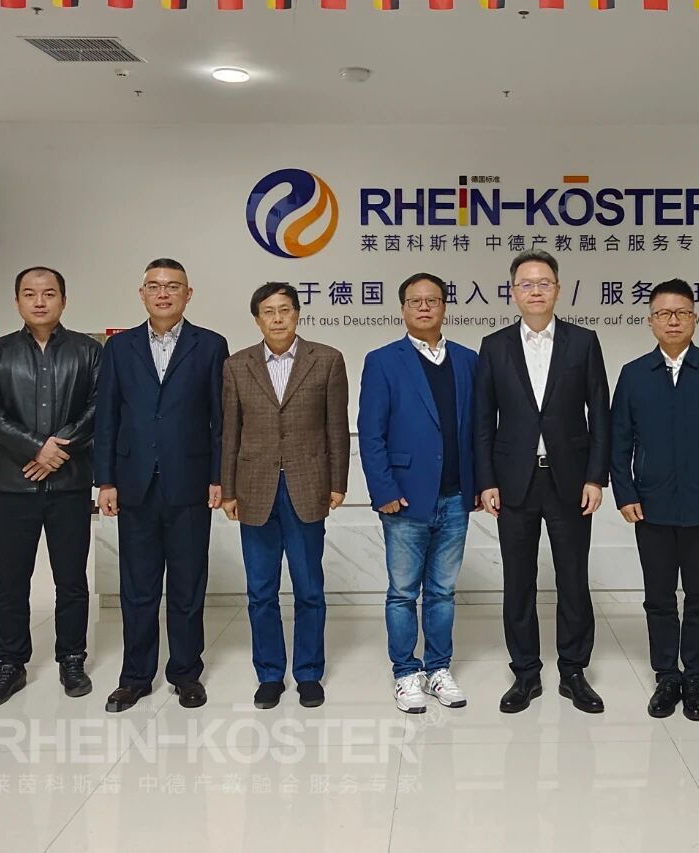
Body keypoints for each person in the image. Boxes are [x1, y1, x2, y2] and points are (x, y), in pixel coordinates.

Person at [474, 249, 611, 715]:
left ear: (558, 289)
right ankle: (525, 673)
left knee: (573, 577)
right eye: (526, 284)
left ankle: (573, 671)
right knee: (519, 580)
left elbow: (600, 413)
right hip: (513, 481)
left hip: (570, 480)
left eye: (544, 283)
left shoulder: (583, 342)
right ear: (513, 291)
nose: (536, 291)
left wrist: (596, 477)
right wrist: (486, 480)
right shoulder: (494, 346)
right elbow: (482, 421)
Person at [94, 258, 229, 713]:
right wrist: (106, 480)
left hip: (190, 482)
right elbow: (107, 416)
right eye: (154, 286)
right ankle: (135, 677)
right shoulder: (119, 348)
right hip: (134, 483)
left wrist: (218, 476)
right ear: (142, 294)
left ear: (189, 294)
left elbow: (219, 420)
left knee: (188, 586)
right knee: (138, 588)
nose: (164, 293)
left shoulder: (210, 345)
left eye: (173, 286)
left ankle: (186, 673)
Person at [610, 278, 699, 722]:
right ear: (650, 321)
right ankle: (667, 676)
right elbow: (618, 441)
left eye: (682, 313)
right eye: (664, 314)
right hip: (651, 506)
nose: (673, 320)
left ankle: (695, 680)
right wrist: (625, 493)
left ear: (695, 318)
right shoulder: (634, 374)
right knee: (659, 597)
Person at [0, 266, 101, 707]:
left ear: (64, 299)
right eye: (30, 294)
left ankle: (72, 658)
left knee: (72, 579)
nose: (40, 301)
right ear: (17, 302)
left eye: (49, 293)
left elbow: (98, 406)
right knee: (11, 581)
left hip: (69, 483)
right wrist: (34, 448)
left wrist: (57, 449)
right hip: (14, 485)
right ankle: (9, 664)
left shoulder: (88, 351)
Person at [221, 283, 350, 710]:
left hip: (307, 486)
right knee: (261, 591)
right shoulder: (237, 365)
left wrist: (338, 482)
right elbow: (230, 432)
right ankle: (270, 674)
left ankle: (309, 673)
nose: (277, 319)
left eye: (284, 310)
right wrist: (228, 489)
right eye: (268, 312)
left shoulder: (327, 359)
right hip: (254, 488)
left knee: (309, 588)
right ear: (257, 319)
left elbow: (336, 427)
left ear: (297, 314)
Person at [359, 273, 478, 714]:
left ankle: (438, 668)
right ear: (403, 309)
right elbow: (371, 433)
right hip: (404, 497)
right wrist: (384, 490)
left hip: (456, 496)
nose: (424, 307)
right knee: (403, 592)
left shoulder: (468, 360)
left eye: (432, 300)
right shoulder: (382, 361)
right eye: (415, 301)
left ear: (444, 307)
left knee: (443, 591)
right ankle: (406, 672)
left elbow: (479, 429)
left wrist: (478, 485)